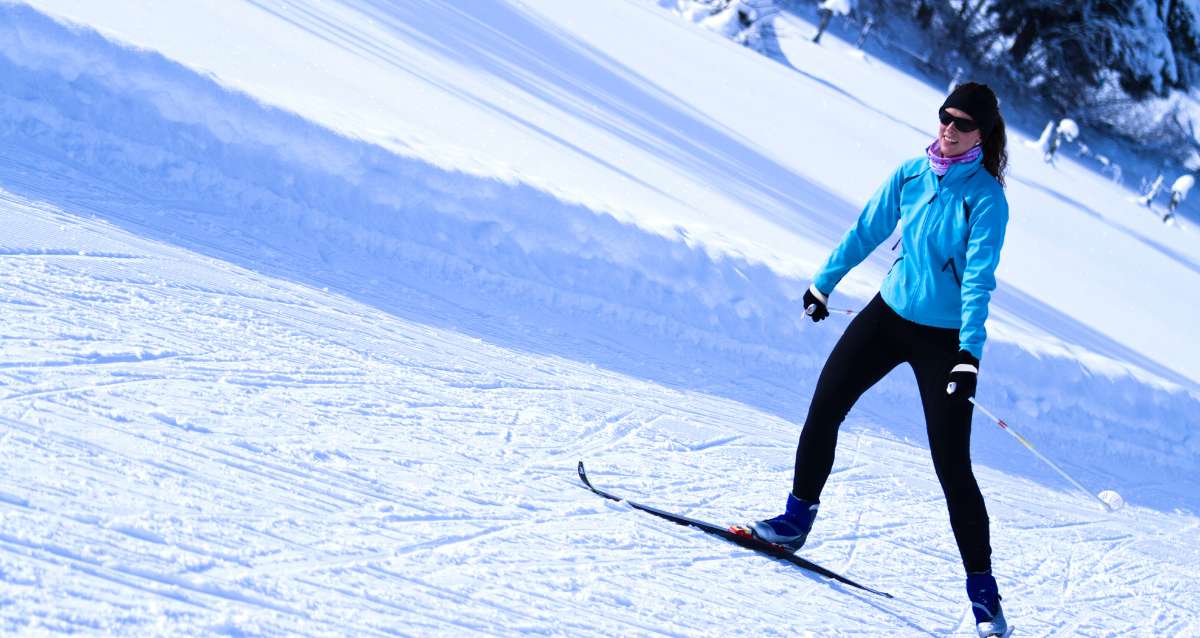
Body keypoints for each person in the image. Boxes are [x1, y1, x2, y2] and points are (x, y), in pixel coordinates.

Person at [741, 82, 1010, 638]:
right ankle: (795, 521)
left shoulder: (986, 199)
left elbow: (979, 280)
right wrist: (824, 282)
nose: (949, 129)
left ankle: (984, 595)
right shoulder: (912, 173)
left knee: (951, 465)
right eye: (945, 117)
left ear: (982, 133)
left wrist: (968, 356)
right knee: (825, 406)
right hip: (888, 314)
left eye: (962, 123)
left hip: (943, 339)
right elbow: (867, 227)